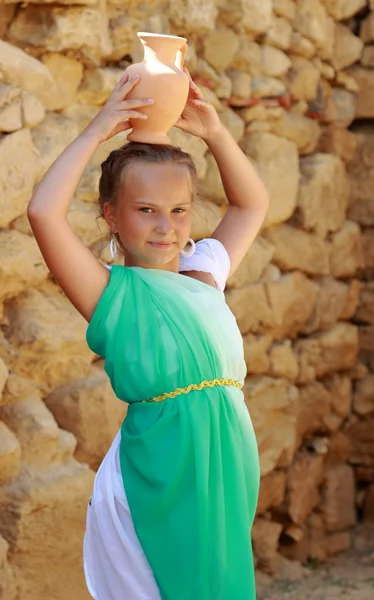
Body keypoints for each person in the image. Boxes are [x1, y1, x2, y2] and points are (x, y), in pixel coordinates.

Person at [28, 69, 269, 600]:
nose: (166, 227)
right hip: (157, 473)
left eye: (179, 210)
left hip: (225, 463)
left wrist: (216, 133)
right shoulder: (111, 294)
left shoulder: (204, 272)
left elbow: (252, 204)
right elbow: (43, 211)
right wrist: (96, 132)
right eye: (146, 211)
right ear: (111, 215)